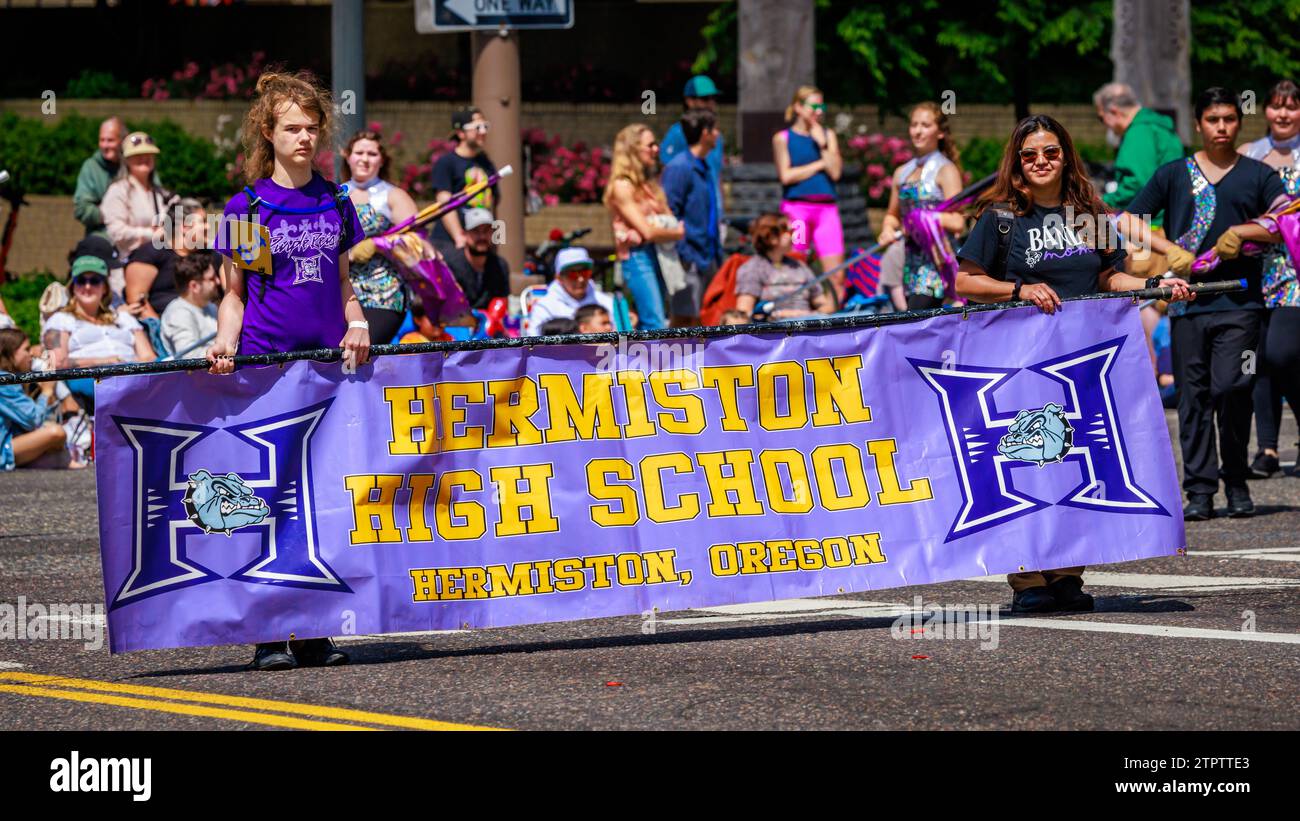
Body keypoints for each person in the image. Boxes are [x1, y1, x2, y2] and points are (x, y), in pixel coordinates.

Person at [956, 114, 1195, 614]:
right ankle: (1027, 580)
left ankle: (1067, 573)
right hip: (1015, 366)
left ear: (1066, 156)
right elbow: (965, 283)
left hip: (1080, 364)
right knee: (1021, 459)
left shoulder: (1089, 217)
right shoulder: (1001, 218)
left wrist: (1158, 285)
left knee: (1076, 458)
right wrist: (1019, 289)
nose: (1041, 161)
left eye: (1050, 152)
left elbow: (1110, 279)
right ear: (1018, 162)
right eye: (1030, 155)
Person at [207, 70, 369, 672]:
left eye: (312, 128)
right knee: (271, 497)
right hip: (267, 372)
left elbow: (346, 287)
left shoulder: (335, 199)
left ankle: (314, 630)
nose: (304, 138)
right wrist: (224, 343)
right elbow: (235, 296)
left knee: (323, 498)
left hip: (328, 373)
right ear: (268, 133)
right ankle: (269, 632)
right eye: (292, 128)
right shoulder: (248, 205)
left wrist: (359, 323)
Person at [1116, 87, 1290, 521]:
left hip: (1242, 303)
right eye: (1213, 120)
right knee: (1193, 397)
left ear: (1239, 122)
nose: (1221, 128)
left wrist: (1247, 233)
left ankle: (1235, 480)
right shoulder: (1175, 173)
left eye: (1229, 119)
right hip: (1186, 302)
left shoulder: (1258, 174)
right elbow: (1125, 219)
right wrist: (1166, 247)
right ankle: (1199, 490)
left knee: (1234, 387)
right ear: (1199, 124)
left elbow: (1285, 220)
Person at [1240, 80, 1300, 478]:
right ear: (1265, 110)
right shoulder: (1249, 154)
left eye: (1291, 107)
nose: (1282, 114)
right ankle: (1267, 450)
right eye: (1276, 106)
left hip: (1295, 270)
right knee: (1257, 361)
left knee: (1282, 353)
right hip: (1255, 270)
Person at [877, 102, 967, 310]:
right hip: (912, 263)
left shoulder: (946, 170)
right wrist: (887, 229)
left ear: (940, 133)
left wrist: (923, 218)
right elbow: (892, 214)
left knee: (916, 320)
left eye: (925, 125)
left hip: (939, 262)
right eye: (914, 125)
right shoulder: (901, 173)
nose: (918, 131)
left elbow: (958, 221)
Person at [342, 129, 425, 343]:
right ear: (348, 156)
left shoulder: (394, 196)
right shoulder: (335, 193)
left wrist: (378, 245)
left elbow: (418, 244)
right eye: (359, 153)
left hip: (383, 295)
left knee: (363, 351)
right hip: (340, 292)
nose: (365, 159)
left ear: (382, 160)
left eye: (372, 154)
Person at [603, 124, 685, 331]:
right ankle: (652, 363)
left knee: (660, 319)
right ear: (632, 150)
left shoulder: (649, 185)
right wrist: (675, 233)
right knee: (654, 322)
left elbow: (666, 220)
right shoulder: (622, 186)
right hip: (637, 257)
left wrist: (663, 230)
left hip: (658, 254)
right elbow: (649, 231)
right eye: (650, 146)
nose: (656, 150)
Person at [773, 85, 845, 300]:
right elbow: (786, 176)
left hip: (826, 211)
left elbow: (835, 172)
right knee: (795, 270)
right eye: (814, 106)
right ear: (798, 107)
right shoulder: (783, 138)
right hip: (797, 211)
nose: (819, 111)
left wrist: (822, 145)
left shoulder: (827, 135)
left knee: (836, 275)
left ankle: (837, 319)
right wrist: (818, 165)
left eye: (821, 106)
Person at [661, 109, 723, 325]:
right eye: (714, 129)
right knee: (684, 319)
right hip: (689, 257)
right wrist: (684, 254)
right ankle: (674, 359)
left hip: (707, 255)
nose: (718, 133)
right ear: (705, 133)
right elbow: (670, 212)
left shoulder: (704, 166)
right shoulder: (680, 167)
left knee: (705, 319)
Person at [734, 212, 834, 319]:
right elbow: (744, 313)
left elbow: (824, 305)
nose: (795, 236)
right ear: (772, 237)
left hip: (808, 327)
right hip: (774, 332)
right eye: (790, 232)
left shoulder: (800, 266)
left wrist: (818, 314)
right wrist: (783, 315)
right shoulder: (753, 269)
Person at [660, 75, 726, 235]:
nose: (711, 103)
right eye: (705, 98)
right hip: (690, 220)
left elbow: (718, 175)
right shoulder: (677, 133)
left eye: (713, 98)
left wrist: (721, 211)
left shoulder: (716, 137)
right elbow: (666, 175)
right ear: (689, 101)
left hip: (714, 215)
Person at [124, 198, 207, 320]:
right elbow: (136, 301)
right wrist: (161, 330)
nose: (208, 226)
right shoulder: (151, 254)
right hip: (165, 327)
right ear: (185, 227)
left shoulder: (209, 256)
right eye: (203, 222)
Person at [429, 107, 497, 253]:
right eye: (477, 127)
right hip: (450, 243)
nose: (483, 132)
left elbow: (492, 204)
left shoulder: (487, 163)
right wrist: (459, 238)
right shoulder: (446, 162)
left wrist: (496, 240)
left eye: (485, 126)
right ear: (461, 133)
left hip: (480, 244)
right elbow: (445, 204)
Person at [101, 131, 176, 261]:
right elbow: (116, 233)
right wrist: (151, 234)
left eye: (149, 154)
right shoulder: (118, 191)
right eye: (137, 155)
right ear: (126, 160)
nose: (144, 158)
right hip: (128, 263)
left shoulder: (162, 194)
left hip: (161, 259)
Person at [0, 329, 67, 471]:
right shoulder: (4, 381)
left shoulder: (9, 378)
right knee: (56, 433)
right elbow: (33, 420)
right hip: (3, 451)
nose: (31, 354)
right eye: (26, 349)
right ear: (10, 352)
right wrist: (47, 391)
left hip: (9, 443)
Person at [525, 247, 614, 335]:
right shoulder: (545, 307)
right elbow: (533, 343)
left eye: (584, 272)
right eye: (573, 274)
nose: (580, 279)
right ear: (559, 278)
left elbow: (622, 339)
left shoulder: (606, 302)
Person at [444, 207, 511, 311]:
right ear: (464, 234)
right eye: (475, 231)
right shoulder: (450, 265)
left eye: (487, 230)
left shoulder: (500, 266)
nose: (482, 236)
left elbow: (503, 304)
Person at [73, 117, 125, 239]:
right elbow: (81, 209)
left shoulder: (134, 165)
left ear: (122, 141)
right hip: (102, 235)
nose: (105, 145)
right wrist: (108, 213)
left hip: (133, 235)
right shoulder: (90, 167)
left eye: (110, 140)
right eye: (102, 140)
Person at [160, 253, 220, 357]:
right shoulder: (178, 313)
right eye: (212, 279)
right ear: (194, 286)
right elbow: (188, 356)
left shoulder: (210, 306)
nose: (218, 282)